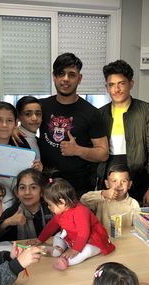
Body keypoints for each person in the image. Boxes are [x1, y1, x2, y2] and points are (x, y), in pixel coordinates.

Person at [38, 52, 109, 196]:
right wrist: (15, 128)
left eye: (71, 74)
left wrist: (77, 150)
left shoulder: (91, 113)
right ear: (54, 77)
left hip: (78, 188)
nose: (65, 79)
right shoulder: (41, 107)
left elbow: (103, 153)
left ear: (79, 78)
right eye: (61, 73)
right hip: (45, 184)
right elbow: (22, 124)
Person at [99, 60, 149, 206]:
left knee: (138, 223)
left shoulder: (146, 110)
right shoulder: (100, 114)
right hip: (109, 181)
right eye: (111, 85)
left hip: (139, 181)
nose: (116, 89)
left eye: (121, 83)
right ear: (107, 87)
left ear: (131, 84)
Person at [38, 178, 115, 270]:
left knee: (87, 251)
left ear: (62, 202)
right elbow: (51, 226)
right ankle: (58, 248)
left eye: (50, 204)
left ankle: (66, 261)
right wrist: (40, 240)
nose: (48, 207)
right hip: (74, 238)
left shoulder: (81, 211)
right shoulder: (60, 213)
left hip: (92, 240)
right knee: (58, 235)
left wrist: (75, 249)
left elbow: (84, 233)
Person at [0, 101, 42, 209]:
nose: (4, 125)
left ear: (16, 123)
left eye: (9, 120)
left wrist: (38, 172)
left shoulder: (23, 151)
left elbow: (30, 184)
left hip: (16, 209)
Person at [0, 168, 52, 242]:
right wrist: (7, 222)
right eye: (22, 188)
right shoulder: (12, 212)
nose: (27, 192)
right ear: (17, 192)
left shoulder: (50, 210)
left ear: (42, 191)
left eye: (33, 187)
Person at [80, 164, 140, 233]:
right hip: (103, 239)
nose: (119, 185)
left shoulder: (133, 204)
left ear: (129, 184)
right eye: (114, 181)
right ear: (107, 183)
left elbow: (138, 227)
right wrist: (103, 194)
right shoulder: (101, 200)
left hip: (124, 240)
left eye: (123, 181)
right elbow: (83, 199)